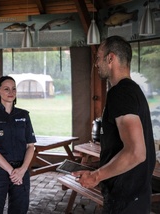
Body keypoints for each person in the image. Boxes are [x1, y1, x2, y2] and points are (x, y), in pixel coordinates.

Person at [72, 36, 156, 213]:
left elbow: (136, 152)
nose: (96, 63)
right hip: (135, 194)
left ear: (110, 58)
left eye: (98, 57)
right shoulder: (133, 90)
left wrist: (96, 176)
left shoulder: (120, 93)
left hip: (126, 199)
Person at [0, 75, 36, 214]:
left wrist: (22, 170)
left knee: (20, 210)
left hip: (21, 170)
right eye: (6, 89)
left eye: (13, 88)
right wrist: (11, 172)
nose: (11, 92)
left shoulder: (24, 115)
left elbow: (31, 146)